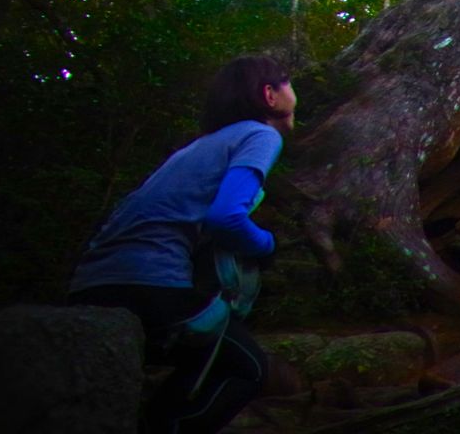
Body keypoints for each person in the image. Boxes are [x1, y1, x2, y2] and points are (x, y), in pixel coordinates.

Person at [69, 55, 296, 434]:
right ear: (270, 95)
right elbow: (226, 218)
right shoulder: (260, 135)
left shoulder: (197, 147)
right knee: (246, 368)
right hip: (148, 284)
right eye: (287, 82)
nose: (294, 90)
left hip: (91, 284)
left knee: (206, 357)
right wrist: (267, 245)